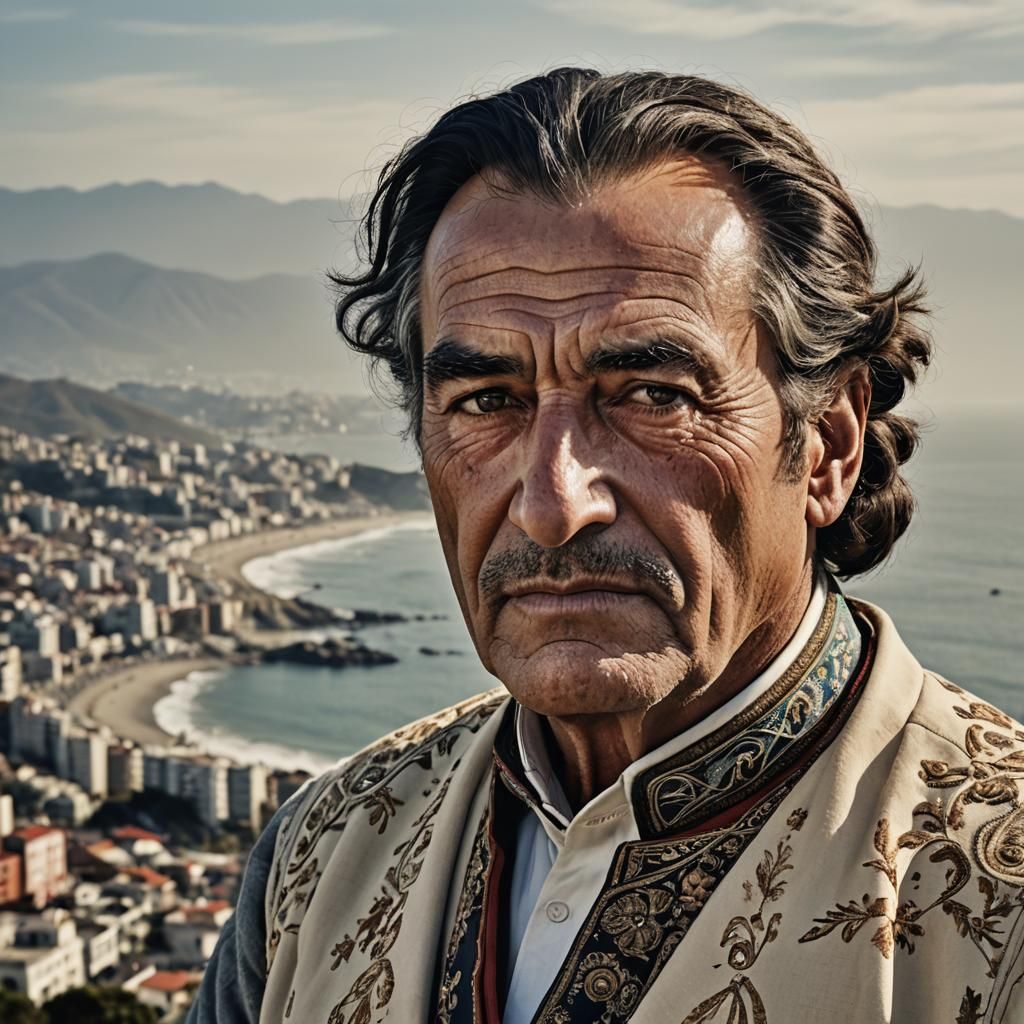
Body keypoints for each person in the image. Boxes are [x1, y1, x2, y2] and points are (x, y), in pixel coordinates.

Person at [188, 69, 1024, 1024]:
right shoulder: (318, 857)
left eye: (654, 396)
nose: (552, 503)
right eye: (485, 401)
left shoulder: (995, 892)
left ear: (828, 443)